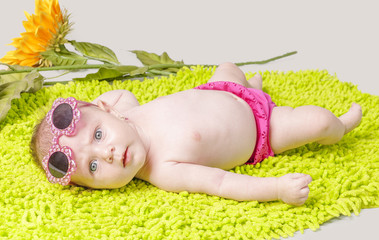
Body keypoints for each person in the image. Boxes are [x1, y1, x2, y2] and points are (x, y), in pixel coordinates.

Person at [30, 63, 362, 206]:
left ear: (107, 110)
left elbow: (113, 100)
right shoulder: (164, 170)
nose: (109, 154)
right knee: (317, 122)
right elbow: (221, 183)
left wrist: (103, 112)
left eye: (99, 136)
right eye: (93, 168)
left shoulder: (126, 109)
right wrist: (276, 188)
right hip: (263, 129)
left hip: (221, 89)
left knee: (229, 64)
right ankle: (340, 128)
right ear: (94, 189)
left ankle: (251, 86)